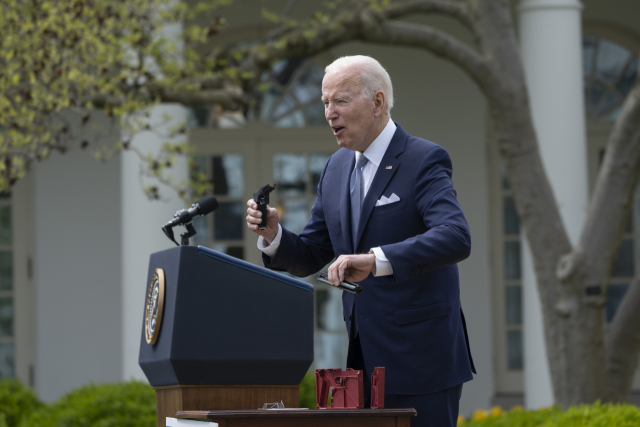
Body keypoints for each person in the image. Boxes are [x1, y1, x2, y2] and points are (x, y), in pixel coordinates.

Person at [245, 55, 475, 427]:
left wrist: (376, 259)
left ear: (378, 102)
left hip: (422, 363)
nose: (329, 113)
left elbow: (455, 237)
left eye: (340, 100)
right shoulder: (335, 168)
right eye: (324, 103)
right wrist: (273, 237)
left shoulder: (423, 159)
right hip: (361, 368)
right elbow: (312, 255)